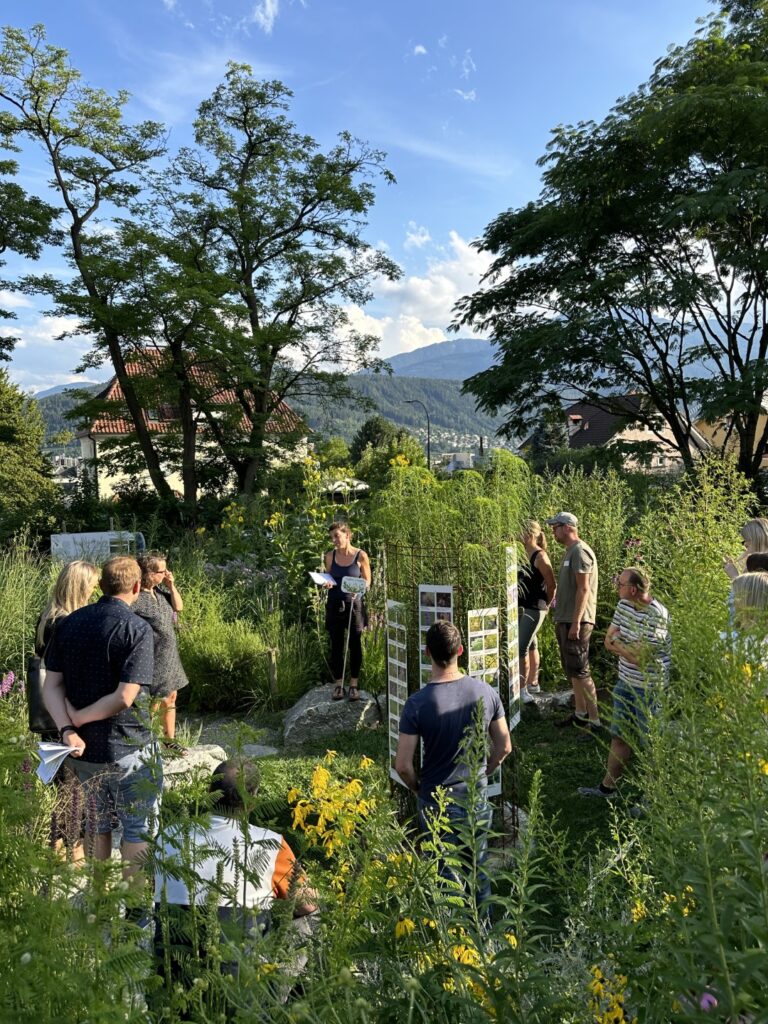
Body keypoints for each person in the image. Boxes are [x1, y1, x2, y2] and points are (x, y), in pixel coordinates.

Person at [42, 555, 160, 878]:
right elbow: (125, 697)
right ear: (137, 586)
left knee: (97, 823)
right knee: (137, 829)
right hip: (128, 746)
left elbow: (50, 686)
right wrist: (79, 717)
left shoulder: (69, 624)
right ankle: (136, 914)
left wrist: (68, 727)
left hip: (82, 752)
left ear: (102, 587)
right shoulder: (137, 629)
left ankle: (99, 909)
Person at [154, 759, 317, 978]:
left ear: (209, 791)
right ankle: (277, 996)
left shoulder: (168, 836)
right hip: (240, 982)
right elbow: (307, 905)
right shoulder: (270, 844)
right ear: (253, 801)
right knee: (310, 918)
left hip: (175, 973)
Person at [394, 621, 512, 908]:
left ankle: (451, 940)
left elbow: (403, 765)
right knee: (477, 868)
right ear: (460, 650)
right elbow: (504, 746)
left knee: (444, 875)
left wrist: (417, 788)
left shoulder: (417, 704)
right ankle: (483, 934)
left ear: (427, 653)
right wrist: (487, 770)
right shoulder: (485, 692)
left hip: (435, 798)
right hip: (474, 796)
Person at [578, 568, 671, 799]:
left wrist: (620, 644)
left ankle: (653, 798)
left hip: (650, 688)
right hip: (625, 682)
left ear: (633, 589)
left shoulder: (657, 615)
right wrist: (626, 647)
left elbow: (640, 658)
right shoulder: (623, 606)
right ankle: (608, 788)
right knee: (619, 736)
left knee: (651, 744)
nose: (616, 587)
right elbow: (608, 641)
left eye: (620, 584)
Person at [34, 560, 100, 860]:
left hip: (47, 713)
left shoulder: (48, 617)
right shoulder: (67, 623)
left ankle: (57, 848)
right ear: (82, 587)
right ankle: (73, 853)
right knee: (74, 788)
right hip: (66, 712)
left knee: (61, 781)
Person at [546, 511, 601, 735]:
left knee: (581, 670)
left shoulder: (580, 551)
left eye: (555, 527)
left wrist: (577, 622)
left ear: (568, 527)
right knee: (573, 671)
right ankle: (580, 714)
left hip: (576, 621)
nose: (553, 532)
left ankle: (595, 721)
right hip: (566, 619)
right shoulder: (570, 551)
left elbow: (584, 589)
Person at [134, 552, 189, 753]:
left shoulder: (160, 593)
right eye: (162, 571)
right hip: (152, 655)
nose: (166, 573)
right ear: (148, 573)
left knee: (171, 696)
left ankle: (169, 740)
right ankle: (146, 739)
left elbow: (179, 608)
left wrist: (171, 585)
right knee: (154, 699)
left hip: (169, 655)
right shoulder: (136, 598)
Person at [323, 522, 371, 702]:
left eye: (337, 536)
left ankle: (353, 685)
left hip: (354, 605)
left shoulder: (361, 555)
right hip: (335, 604)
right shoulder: (330, 556)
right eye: (332, 537)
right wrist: (326, 582)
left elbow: (367, 581)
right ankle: (338, 685)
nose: (334, 540)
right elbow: (329, 576)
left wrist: (359, 588)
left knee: (355, 644)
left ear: (347, 535)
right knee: (336, 645)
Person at [517, 520, 556, 703]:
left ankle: (523, 691)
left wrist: (546, 604)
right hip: (525, 607)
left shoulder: (540, 557)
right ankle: (533, 683)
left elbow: (552, 584)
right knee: (532, 645)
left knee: (521, 647)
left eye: (520, 533)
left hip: (534, 608)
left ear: (530, 535)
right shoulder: (523, 554)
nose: (517, 536)